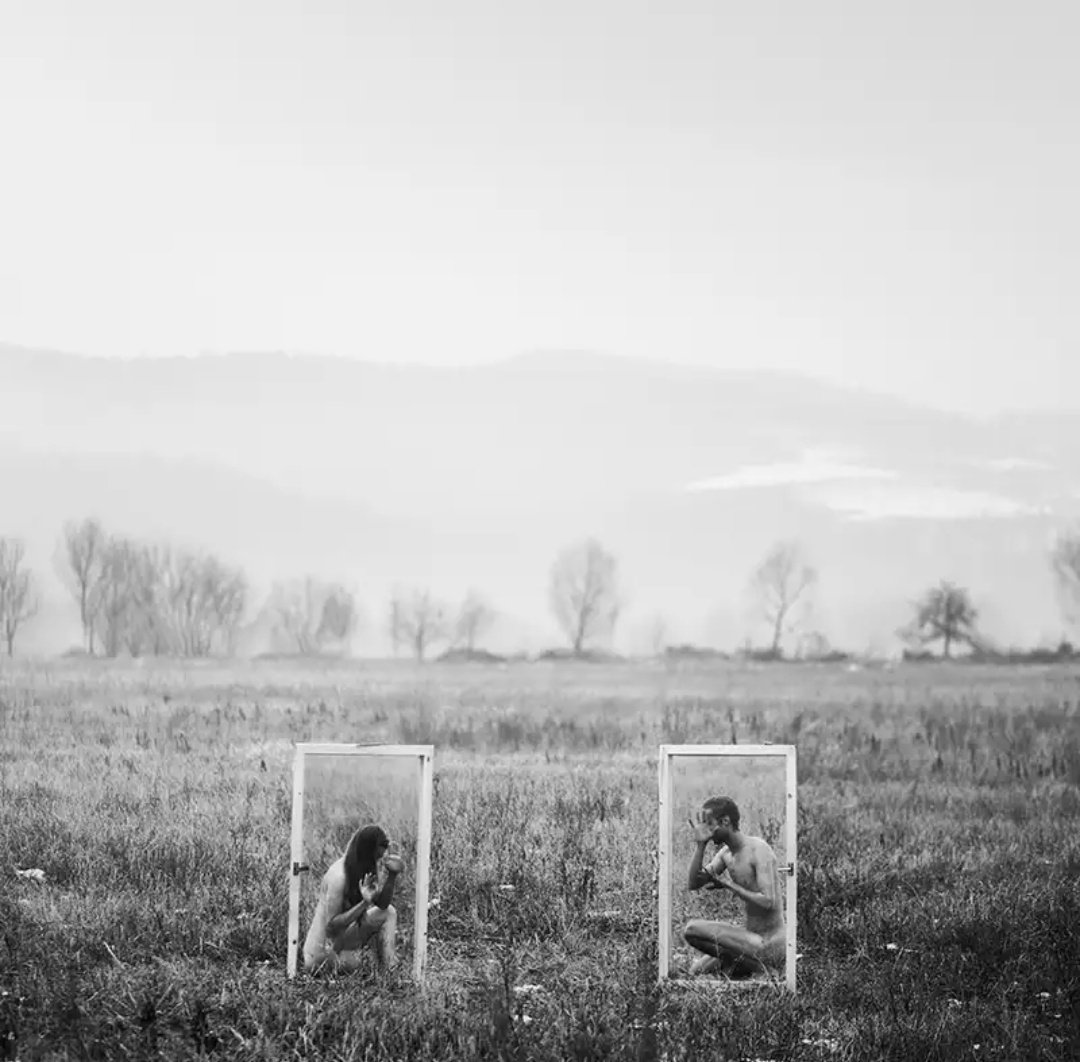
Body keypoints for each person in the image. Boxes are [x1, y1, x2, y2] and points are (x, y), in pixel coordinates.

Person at [682, 796, 786, 979]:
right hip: (749, 938)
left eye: (709, 824)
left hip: (770, 942)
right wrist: (701, 845)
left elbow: (769, 901)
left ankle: (767, 970)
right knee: (695, 971)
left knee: (692, 929)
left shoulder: (758, 849)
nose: (705, 830)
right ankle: (744, 966)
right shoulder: (726, 855)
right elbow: (694, 883)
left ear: (725, 821)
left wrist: (727, 885)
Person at [303, 824, 405, 975]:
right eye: (380, 852)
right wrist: (364, 903)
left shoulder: (362, 869)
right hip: (319, 953)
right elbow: (331, 926)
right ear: (368, 850)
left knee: (389, 912)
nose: (382, 858)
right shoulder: (339, 876)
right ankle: (369, 964)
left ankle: (389, 968)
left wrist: (392, 875)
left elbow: (382, 905)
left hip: (340, 943)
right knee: (364, 963)